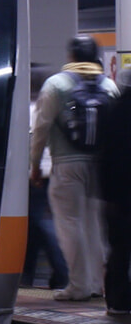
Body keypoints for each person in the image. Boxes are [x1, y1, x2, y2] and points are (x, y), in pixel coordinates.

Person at [30, 36, 120, 301]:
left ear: (70, 56)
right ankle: (95, 283)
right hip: (100, 166)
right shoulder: (110, 86)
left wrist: (35, 165)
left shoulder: (56, 85)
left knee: (70, 224)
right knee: (96, 226)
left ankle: (78, 286)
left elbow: (41, 130)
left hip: (67, 166)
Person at [22, 68, 68, 289]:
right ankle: (26, 275)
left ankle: (62, 273)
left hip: (35, 174)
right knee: (33, 225)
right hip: (56, 172)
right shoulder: (51, 109)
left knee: (41, 222)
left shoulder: (26, 110)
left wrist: (34, 168)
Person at [99, 66, 131, 314]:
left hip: (118, 196)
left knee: (119, 249)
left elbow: (107, 158)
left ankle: (117, 301)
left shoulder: (113, 111)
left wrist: (107, 195)